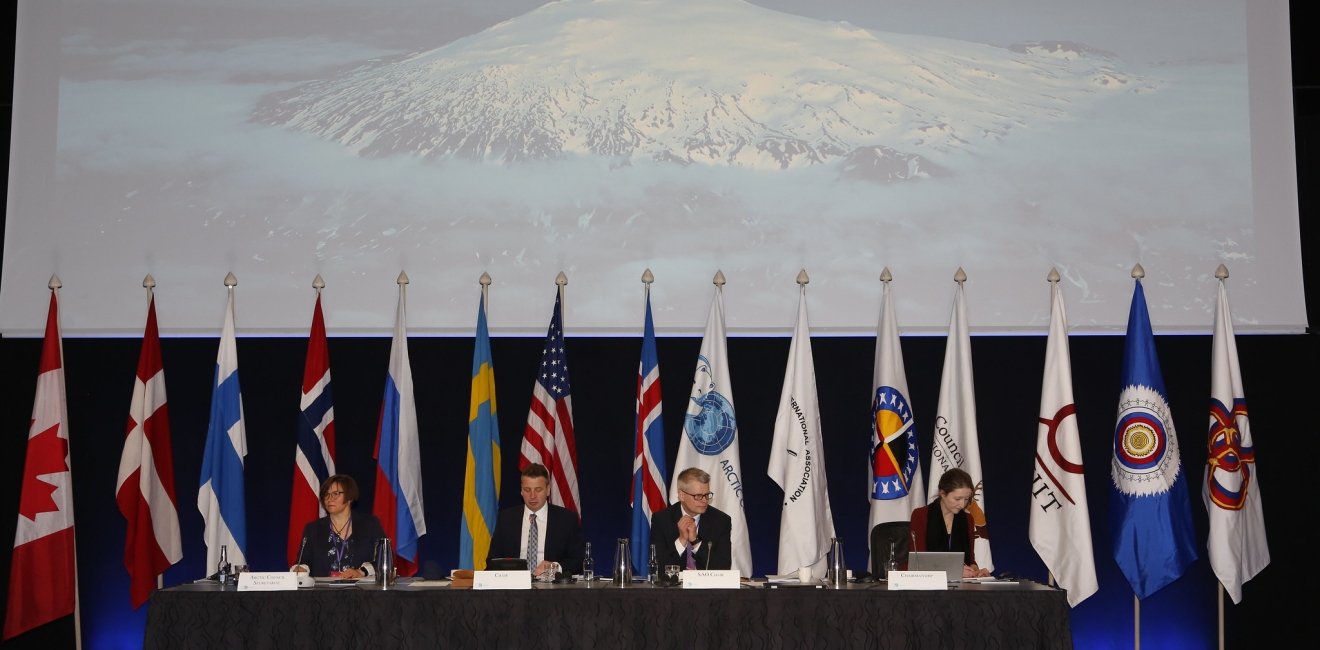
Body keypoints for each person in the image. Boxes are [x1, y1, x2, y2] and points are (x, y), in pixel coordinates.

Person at [487, 463, 585, 578]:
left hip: (553, 590)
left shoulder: (566, 520)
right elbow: (492, 560)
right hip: (514, 589)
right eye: (527, 490)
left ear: (548, 490)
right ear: (521, 491)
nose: (532, 496)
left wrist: (554, 567)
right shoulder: (506, 518)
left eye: (538, 490)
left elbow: (579, 560)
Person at [291, 474, 386, 578]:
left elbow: (385, 558)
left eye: (335, 494)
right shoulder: (313, 529)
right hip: (323, 592)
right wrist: (300, 569)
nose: (329, 498)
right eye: (326, 494)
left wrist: (361, 571)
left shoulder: (369, 524)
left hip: (361, 591)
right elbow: (304, 561)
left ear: (349, 497)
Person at [908, 467, 991, 578]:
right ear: (942, 494)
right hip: (928, 588)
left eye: (966, 499)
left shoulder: (968, 519)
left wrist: (976, 571)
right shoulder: (920, 515)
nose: (962, 505)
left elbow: (970, 560)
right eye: (957, 499)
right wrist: (953, 571)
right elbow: (918, 563)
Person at [650, 467, 732, 571]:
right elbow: (658, 568)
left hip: (707, 586)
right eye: (698, 496)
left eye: (707, 495)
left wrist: (696, 543)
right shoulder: (661, 520)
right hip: (673, 586)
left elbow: (723, 568)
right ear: (682, 495)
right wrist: (681, 540)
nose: (704, 500)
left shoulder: (721, 521)